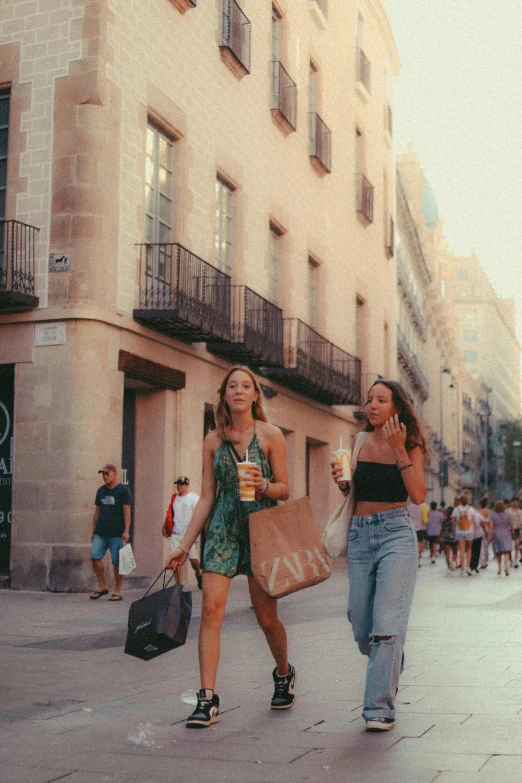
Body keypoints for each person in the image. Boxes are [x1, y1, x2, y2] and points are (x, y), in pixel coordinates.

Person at [165, 366, 292, 728]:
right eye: (232, 386)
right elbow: (206, 497)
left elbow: (285, 489)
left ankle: (283, 672)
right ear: (224, 395)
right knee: (211, 611)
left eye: (246, 386)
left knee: (266, 616)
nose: (238, 391)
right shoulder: (211, 440)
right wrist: (185, 545)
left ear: (255, 395)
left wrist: (264, 484)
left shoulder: (271, 435)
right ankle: (207, 699)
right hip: (222, 529)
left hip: (260, 528)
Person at [331, 379, 428, 732]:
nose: (372, 405)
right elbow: (353, 491)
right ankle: (390, 659)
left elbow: (417, 495)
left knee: (385, 624)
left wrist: (400, 449)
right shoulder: (358, 442)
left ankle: (379, 709)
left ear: (396, 408)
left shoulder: (410, 444)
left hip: (395, 536)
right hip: (359, 536)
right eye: (369, 399)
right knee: (362, 625)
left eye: (381, 400)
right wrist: (343, 482)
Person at [89, 463, 132, 601]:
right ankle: (102, 586)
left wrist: (126, 530)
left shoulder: (123, 490)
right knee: (94, 556)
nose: (105, 477)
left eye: (107, 474)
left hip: (117, 533)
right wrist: (93, 530)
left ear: (114, 474)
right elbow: (97, 511)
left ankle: (117, 590)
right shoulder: (100, 491)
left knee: (117, 562)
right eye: (103, 474)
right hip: (101, 532)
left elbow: (127, 511)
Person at [162, 476, 202, 589]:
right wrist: (165, 526)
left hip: (188, 534)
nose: (179, 487)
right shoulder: (175, 498)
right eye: (178, 484)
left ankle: (198, 572)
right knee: (175, 560)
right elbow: (170, 513)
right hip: (176, 533)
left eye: (181, 485)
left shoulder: (193, 498)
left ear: (186, 485)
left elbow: (198, 515)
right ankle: (178, 585)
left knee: (193, 558)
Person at [451, 495, 479, 577]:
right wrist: (474, 532)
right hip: (469, 531)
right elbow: (473, 521)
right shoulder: (471, 509)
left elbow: (453, 521)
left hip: (459, 531)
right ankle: (468, 567)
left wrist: (453, 531)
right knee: (469, 549)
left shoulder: (456, 509)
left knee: (462, 550)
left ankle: (462, 569)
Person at [490, 500, 514, 576]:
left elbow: (491, 527)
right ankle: (506, 565)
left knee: (498, 553)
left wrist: (490, 536)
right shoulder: (507, 515)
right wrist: (513, 534)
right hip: (506, 533)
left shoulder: (493, 515)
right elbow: (511, 526)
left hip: (496, 534)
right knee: (507, 551)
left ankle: (499, 568)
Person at [409, 501, 427, 567]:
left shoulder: (410, 506)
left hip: (412, 527)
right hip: (421, 527)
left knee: (413, 545)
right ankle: (418, 561)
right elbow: (426, 518)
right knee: (419, 544)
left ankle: (413, 560)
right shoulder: (424, 506)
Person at [440, 505, 457, 573]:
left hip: (446, 537)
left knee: (447, 553)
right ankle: (453, 561)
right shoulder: (455, 519)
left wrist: (440, 536)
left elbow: (442, 529)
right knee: (455, 552)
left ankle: (448, 567)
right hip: (454, 537)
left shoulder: (444, 519)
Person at [507, 496, 522, 568]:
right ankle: (510, 560)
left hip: (517, 529)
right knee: (509, 546)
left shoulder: (520, 512)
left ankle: (515, 561)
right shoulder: (508, 511)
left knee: (516, 545)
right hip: (509, 529)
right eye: (514, 502)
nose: (515, 503)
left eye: (517, 502)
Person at [477, 497, 492, 569]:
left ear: (480, 504)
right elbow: (489, 522)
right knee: (486, 545)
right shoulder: (488, 512)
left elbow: (480, 522)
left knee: (481, 546)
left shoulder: (478, 512)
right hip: (486, 528)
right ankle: (485, 561)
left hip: (480, 529)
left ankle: (482, 562)